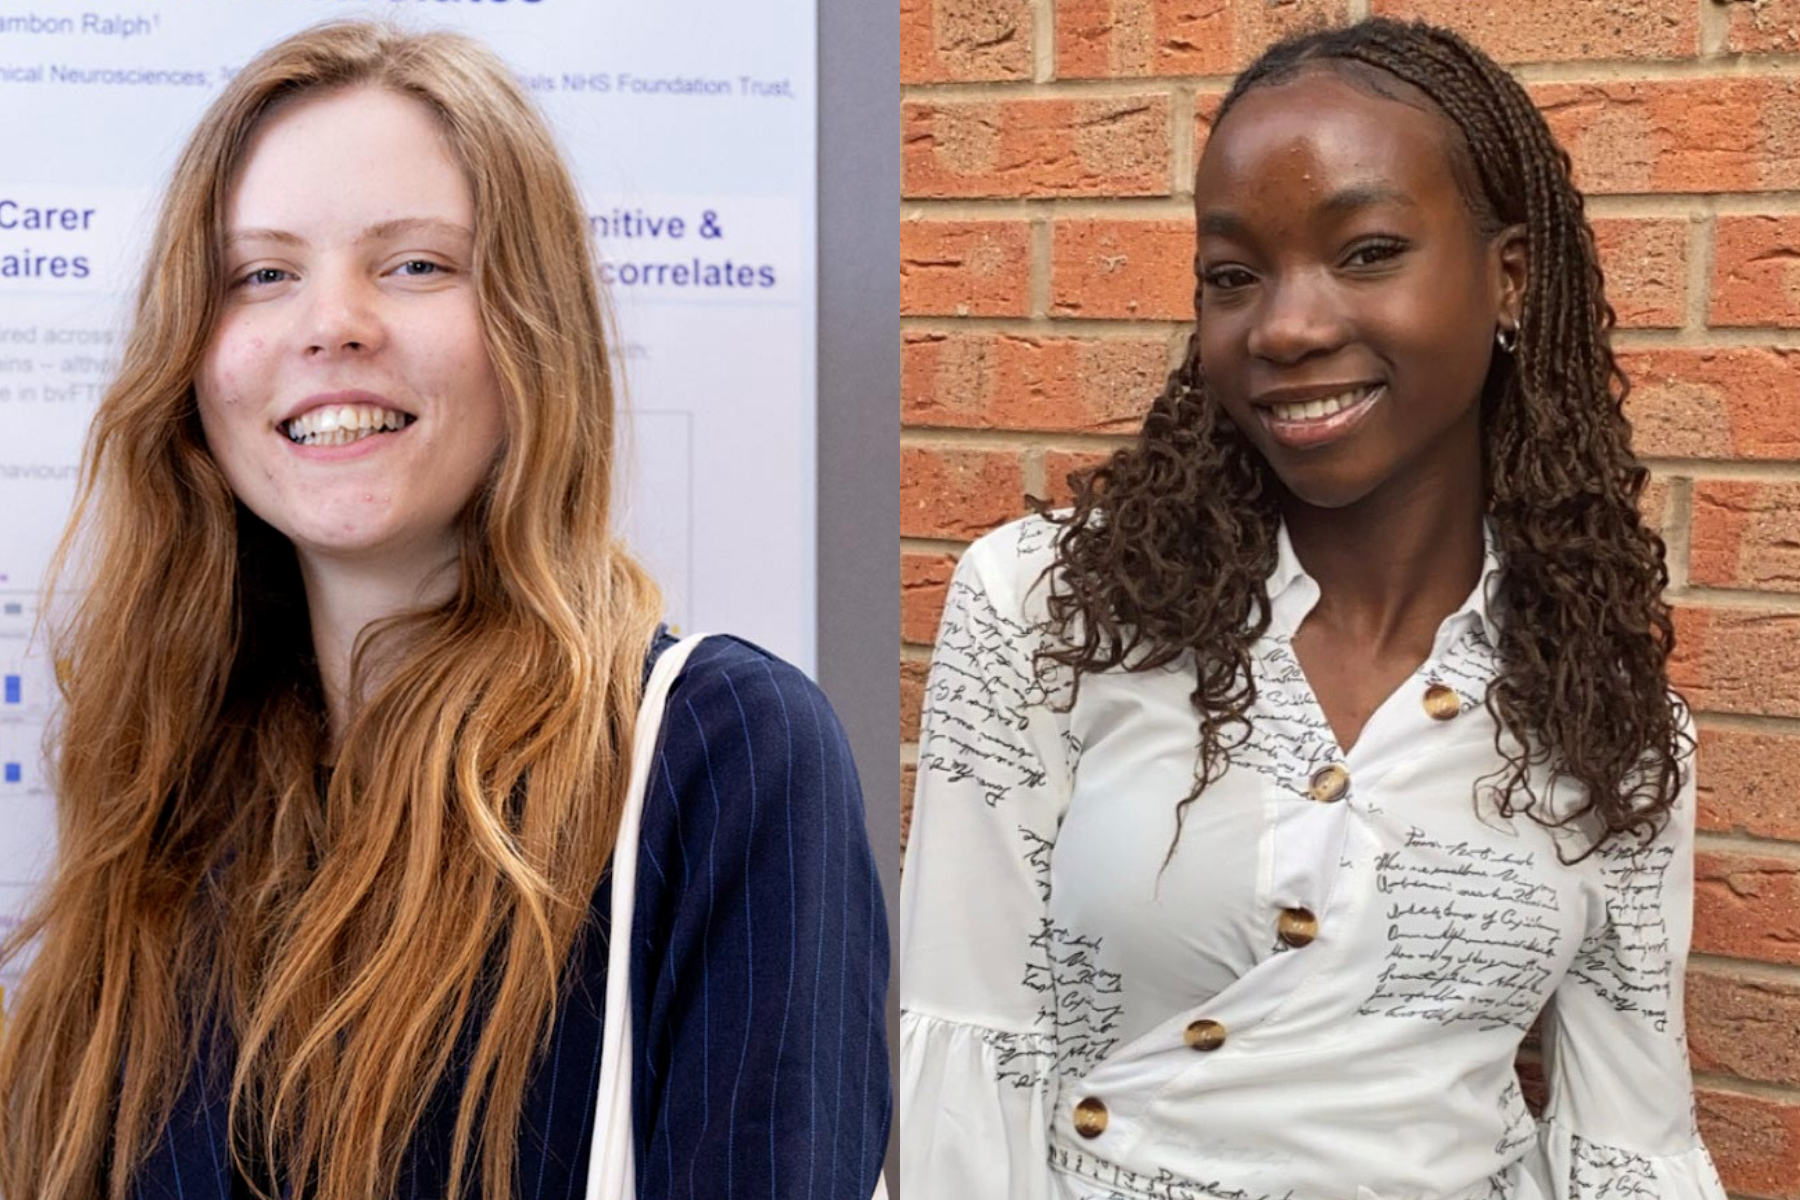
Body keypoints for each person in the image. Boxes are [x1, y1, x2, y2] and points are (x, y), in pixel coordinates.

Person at [0, 21, 889, 1200]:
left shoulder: (720, 756)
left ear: (536, 328)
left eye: (415, 264)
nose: (332, 323)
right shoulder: (168, 774)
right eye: (261, 274)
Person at [900, 17, 1724, 1200]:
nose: (1285, 325)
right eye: (1234, 275)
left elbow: (1629, 1146)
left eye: (1369, 250)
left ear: (1510, 276)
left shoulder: (1605, 717)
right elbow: (968, 1051)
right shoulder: (1051, 614)